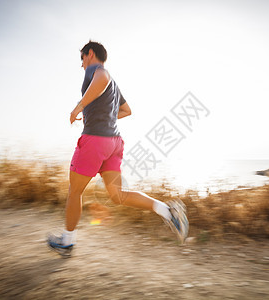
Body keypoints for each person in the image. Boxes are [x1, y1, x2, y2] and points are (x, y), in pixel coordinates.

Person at [47, 41, 188, 257]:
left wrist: (79, 107)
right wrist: (101, 114)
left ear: (90, 54)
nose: (82, 65)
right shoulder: (114, 85)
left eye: (82, 59)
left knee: (74, 191)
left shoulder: (98, 71)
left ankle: (66, 242)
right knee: (118, 195)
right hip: (113, 143)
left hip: (94, 141)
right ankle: (167, 211)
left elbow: (101, 78)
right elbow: (126, 110)